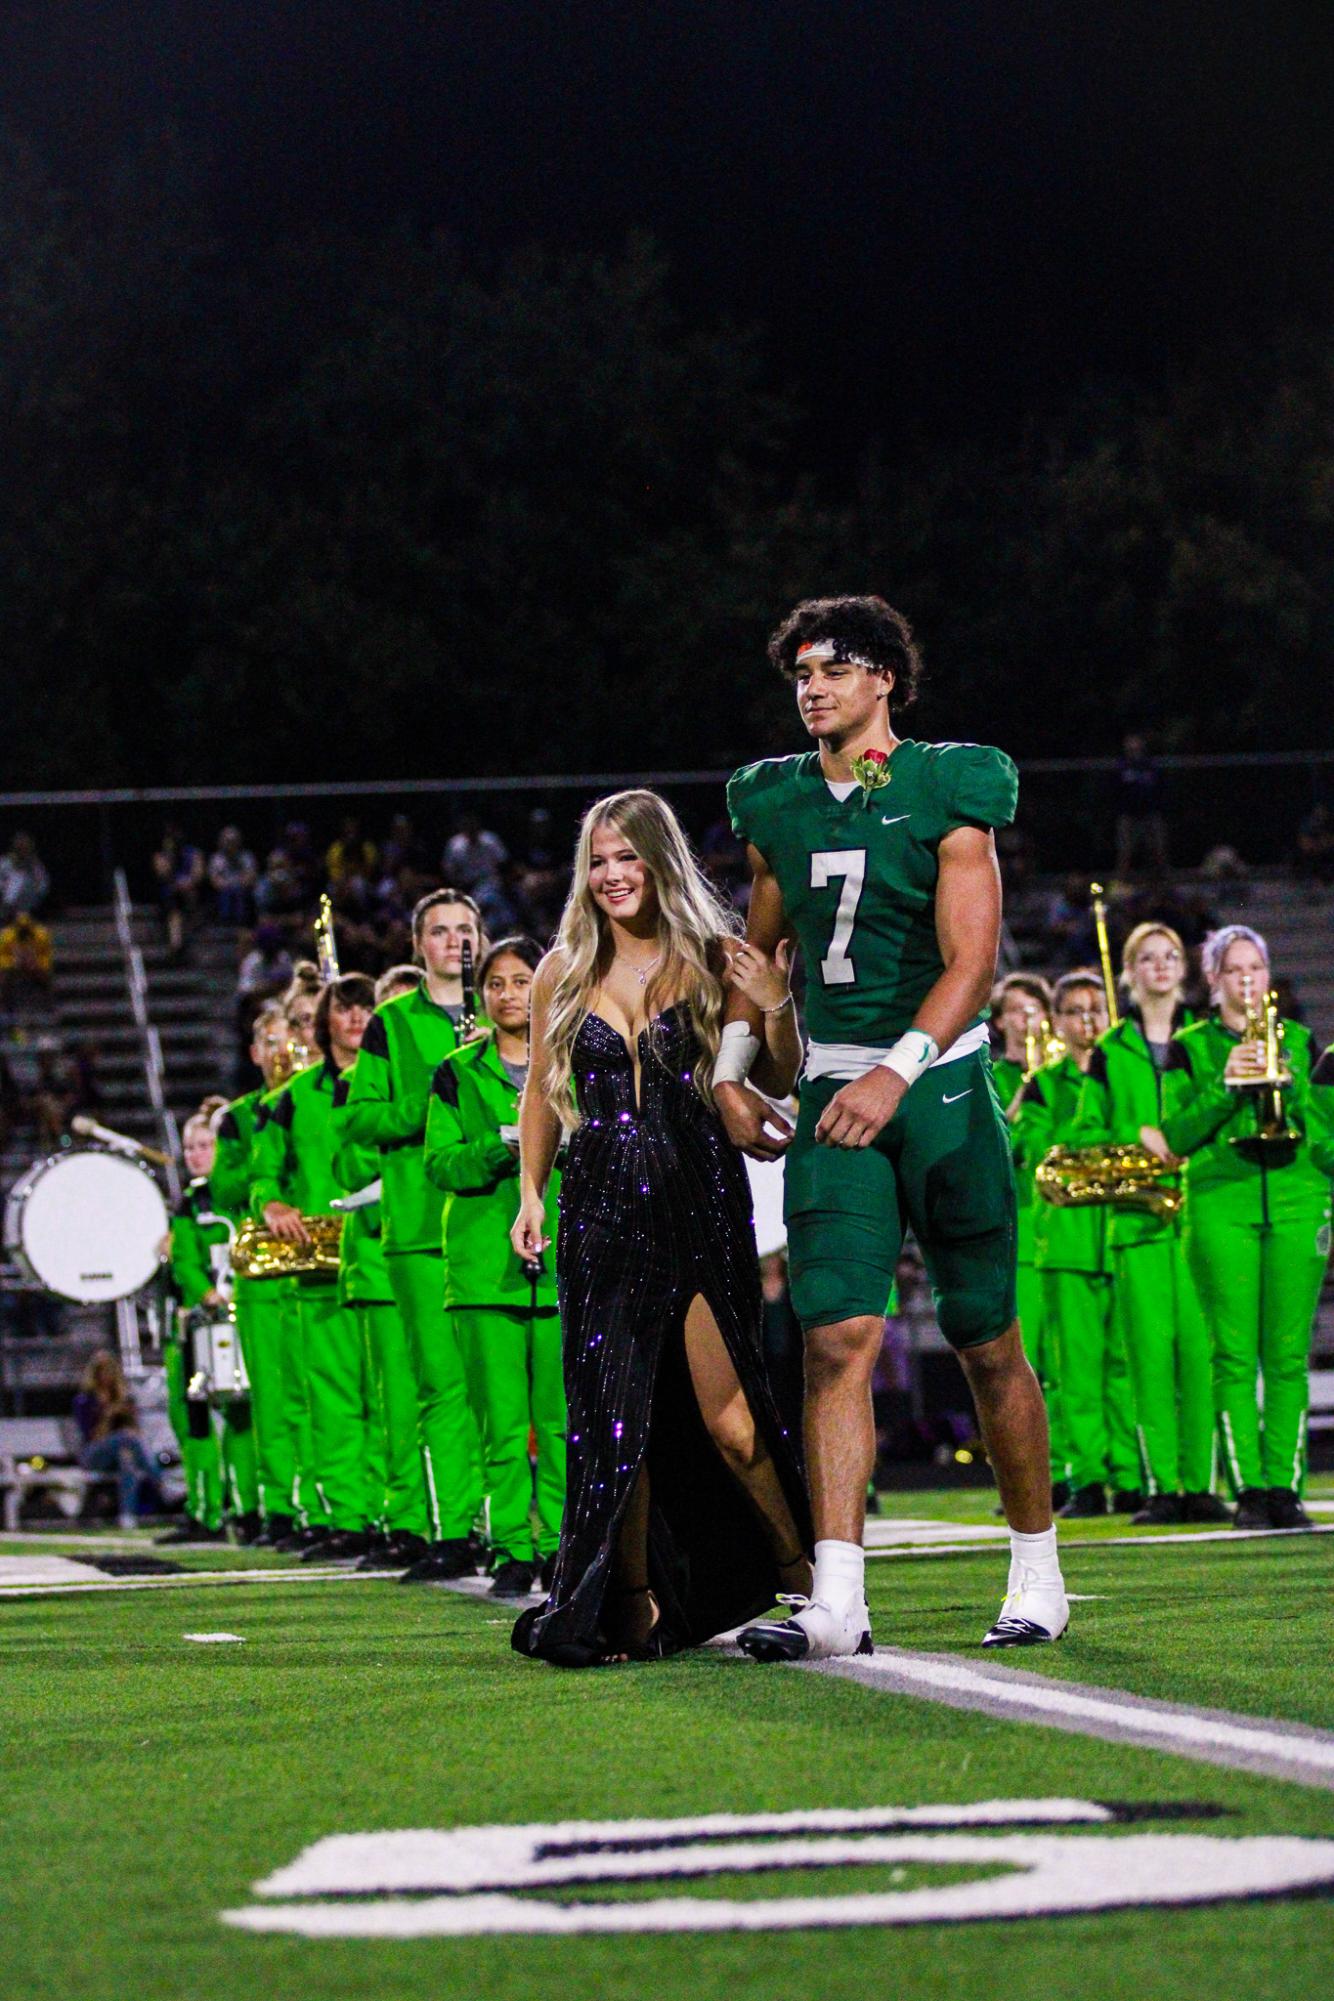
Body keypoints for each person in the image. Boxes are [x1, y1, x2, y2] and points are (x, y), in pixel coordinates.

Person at [718, 594, 1067, 1658]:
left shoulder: (945, 779)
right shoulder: (773, 802)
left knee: (984, 1340)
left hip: (942, 1086)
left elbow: (971, 961)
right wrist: (733, 1070)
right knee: (835, 1337)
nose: (808, 689)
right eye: (798, 675)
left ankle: (1036, 1568)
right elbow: (759, 952)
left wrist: (894, 1070)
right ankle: (836, 1600)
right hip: (830, 1086)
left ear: (882, 681)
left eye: (829, 670)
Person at [510, 790, 810, 1667]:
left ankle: (803, 1577)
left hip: (700, 1198)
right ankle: (631, 1603)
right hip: (600, 1205)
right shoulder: (560, 967)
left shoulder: (718, 958)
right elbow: (540, 1094)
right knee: (615, 1420)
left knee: (734, 1420)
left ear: (660, 862)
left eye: (627, 858)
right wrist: (532, 1193)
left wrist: (777, 1002)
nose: (610, 876)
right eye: (598, 861)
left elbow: (780, 1076)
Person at [1144, 926, 1333, 1530]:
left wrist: (1293, 1084)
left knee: (1286, 1356)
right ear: (1214, 980)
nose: (1247, 981)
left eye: (1256, 970)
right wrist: (1229, 1083)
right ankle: (1249, 1486)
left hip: (1299, 1200)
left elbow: (1323, 1139)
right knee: (1233, 1356)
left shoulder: (1301, 1042)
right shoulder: (1189, 1048)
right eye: (1235, 971)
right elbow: (1173, 1137)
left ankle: (1285, 1485)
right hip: (1221, 1201)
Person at [337, 890, 488, 1583]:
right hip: (423, 1230)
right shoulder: (390, 1023)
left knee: (507, 1392)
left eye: (465, 929)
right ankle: (454, 1528)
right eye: (440, 931)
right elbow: (360, 1120)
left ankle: (516, 1530)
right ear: (417, 944)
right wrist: (434, 1093)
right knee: (441, 1389)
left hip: (497, 1226)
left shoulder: (509, 1007)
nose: (455, 942)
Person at [424, 935, 565, 1599]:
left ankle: (567, 1543)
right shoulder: (455, 1070)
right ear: (482, 995)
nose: (509, 994)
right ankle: (514, 1545)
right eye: (497, 984)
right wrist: (501, 1143)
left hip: (566, 1261)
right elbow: (439, 1162)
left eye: (520, 980)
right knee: (502, 1425)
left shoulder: (571, 1059)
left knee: (564, 1422)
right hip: (484, 1268)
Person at [1071, 921, 1224, 1524]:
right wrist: (1132, 1134)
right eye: (1148, 958)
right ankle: (1164, 1486)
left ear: (1183, 970)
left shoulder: (1206, 1042)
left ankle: (1202, 1483)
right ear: (1130, 974)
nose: (1161, 966)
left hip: (1203, 1220)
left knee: (1203, 1357)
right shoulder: (1110, 1051)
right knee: (1150, 1361)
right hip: (1137, 1224)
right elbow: (1084, 1133)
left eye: (1170, 956)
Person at [251, 974, 378, 1560]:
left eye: (363, 1009)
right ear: (325, 1022)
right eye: (342, 1010)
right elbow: (261, 1176)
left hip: (384, 1258)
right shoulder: (290, 1100)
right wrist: (271, 1203)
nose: (353, 1020)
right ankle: (350, 1514)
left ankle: (399, 1516)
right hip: (320, 1266)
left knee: (395, 1399)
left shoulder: (402, 1083)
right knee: (331, 1400)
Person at [1015, 971, 1140, 1517]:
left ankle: (1133, 1474)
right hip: (1066, 1242)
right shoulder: (1044, 1084)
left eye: (1095, 1010)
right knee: (1075, 1373)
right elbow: (1039, 1150)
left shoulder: (1127, 1075)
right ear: (1059, 1021)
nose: (1087, 1022)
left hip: (1123, 1233)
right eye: (1075, 1011)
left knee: (1126, 1365)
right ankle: (1086, 1475)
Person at [331, 962, 432, 1573]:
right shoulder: (326, 1092)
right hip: (385, 1248)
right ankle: (405, 1517)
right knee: (392, 1401)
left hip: (461, 1243)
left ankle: (461, 1522)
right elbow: (346, 1166)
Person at [211, 1002, 300, 1543]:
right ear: (253, 1053)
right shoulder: (240, 1117)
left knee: (319, 1394)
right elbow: (223, 1190)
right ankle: (282, 1505)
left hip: (320, 1263)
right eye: (269, 1042)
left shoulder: (320, 1095)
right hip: (265, 1272)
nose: (280, 1052)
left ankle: (330, 1504)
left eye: (288, 1039)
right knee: (271, 1395)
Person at [163, 1112, 259, 1541]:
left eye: (205, 1145)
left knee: (246, 1418)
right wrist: (206, 1293)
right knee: (193, 1419)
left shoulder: (238, 1197)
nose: (196, 1156)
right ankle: (204, 1511)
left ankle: (250, 1509)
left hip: (245, 1315)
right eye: (189, 1148)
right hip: (197, 1324)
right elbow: (184, 1259)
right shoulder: (191, 1202)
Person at [990, 972, 1067, 1502]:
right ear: (999, 1022)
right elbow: (995, 1143)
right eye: (1016, 1011)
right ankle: (1024, 1479)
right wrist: (1024, 1095)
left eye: (1035, 1009)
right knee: (1022, 1365)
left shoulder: (1068, 1074)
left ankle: (1072, 1472)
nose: (1027, 1020)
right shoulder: (991, 1073)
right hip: (1017, 1240)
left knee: (1069, 1365)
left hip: (1065, 1232)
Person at [72, 1351, 162, 1531]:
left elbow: (136, 1434)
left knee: (127, 1461)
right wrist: (107, 1415)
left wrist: (127, 1414)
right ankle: (160, 1481)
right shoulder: (85, 1401)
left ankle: (127, 1516)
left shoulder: (122, 1398)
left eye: (110, 1371)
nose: (106, 1375)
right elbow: (93, 1438)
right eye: (102, 1371)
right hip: (93, 1455)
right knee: (125, 1438)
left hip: (119, 1454)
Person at [151, 825, 204, 960]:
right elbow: (163, 874)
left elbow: (198, 874)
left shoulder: (193, 853)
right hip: (169, 895)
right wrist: (169, 856)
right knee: (174, 911)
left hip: (189, 891)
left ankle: (178, 943)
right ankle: (176, 945)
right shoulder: (160, 856)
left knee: (183, 904)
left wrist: (187, 883)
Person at [0, 910, 54, 1004]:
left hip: (35, 963)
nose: (24, 932)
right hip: (12, 963)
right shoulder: (6, 935)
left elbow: (46, 954)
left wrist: (37, 963)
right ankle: (4, 1002)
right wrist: (12, 962)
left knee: (45, 976)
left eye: (26, 929)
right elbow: (2, 954)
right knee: (4, 976)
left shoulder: (42, 935)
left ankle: (48, 1001)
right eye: (21, 929)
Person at [208, 827, 258, 925]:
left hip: (242, 889)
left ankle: (241, 923)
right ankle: (225, 923)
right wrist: (228, 885)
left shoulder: (247, 856)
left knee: (239, 892)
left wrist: (238, 884)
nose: (230, 844)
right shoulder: (216, 858)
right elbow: (214, 880)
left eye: (233, 841)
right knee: (227, 893)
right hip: (224, 890)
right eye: (227, 841)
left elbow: (251, 877)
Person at [0, 832, 51, 921]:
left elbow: (43, 885)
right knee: (16, 877)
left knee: (20, 878)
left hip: (27, 899)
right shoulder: (4, 862)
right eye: (20, 846)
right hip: (5, 899)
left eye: (25, 846)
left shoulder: (36, 865)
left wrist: (35, 891)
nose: (22, 849)